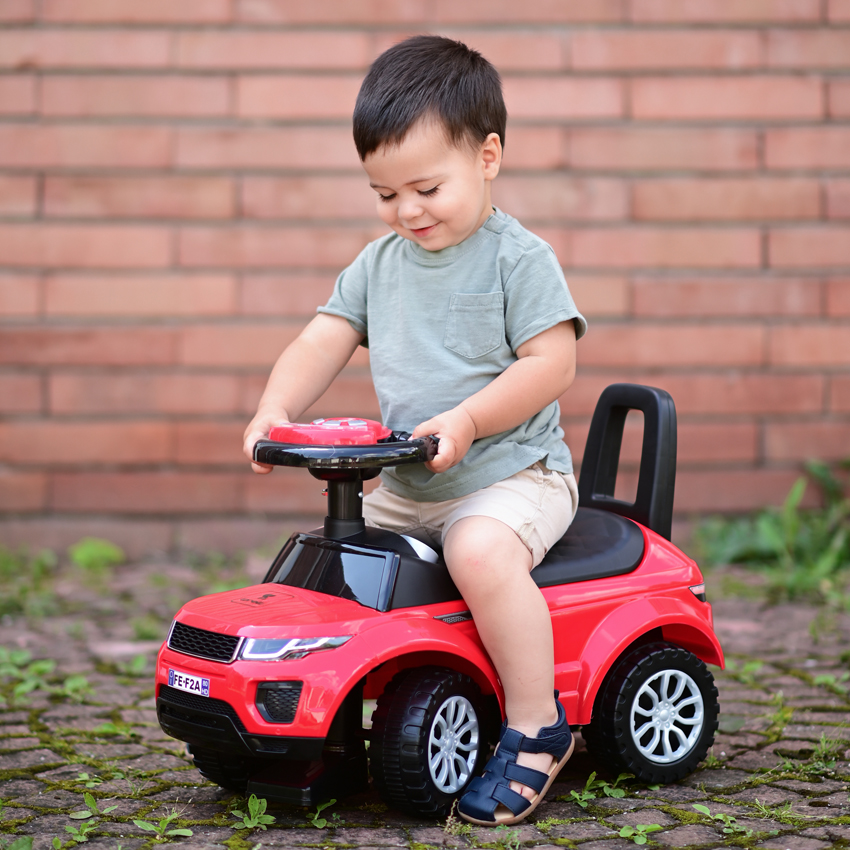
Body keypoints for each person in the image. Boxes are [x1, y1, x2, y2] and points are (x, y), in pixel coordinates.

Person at [242, 34, 587, 826]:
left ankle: (538, 724)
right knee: (328, 563)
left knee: (478, 552)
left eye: (427, 187)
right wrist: (275, 409)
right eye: (384, 193)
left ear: (488, 157)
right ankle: (317, 722)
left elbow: (551, 365)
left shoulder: (518, 261)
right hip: (410, 482)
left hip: (513, 474)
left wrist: (468, 419)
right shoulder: (379, 263)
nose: (407, 211)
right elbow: (321, 337)